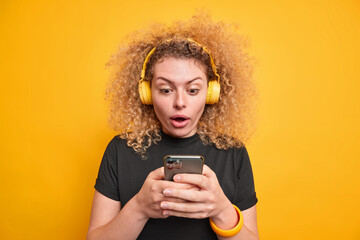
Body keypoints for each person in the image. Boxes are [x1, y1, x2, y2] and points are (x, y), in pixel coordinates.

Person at [87, 12, 259, 240]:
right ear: (147, 93)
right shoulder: (119, 150)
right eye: (166, 90)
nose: (180, 102)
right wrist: (139, 207)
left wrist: (221, 209)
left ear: (211, 94)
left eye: (193, 90)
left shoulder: (234, 153)